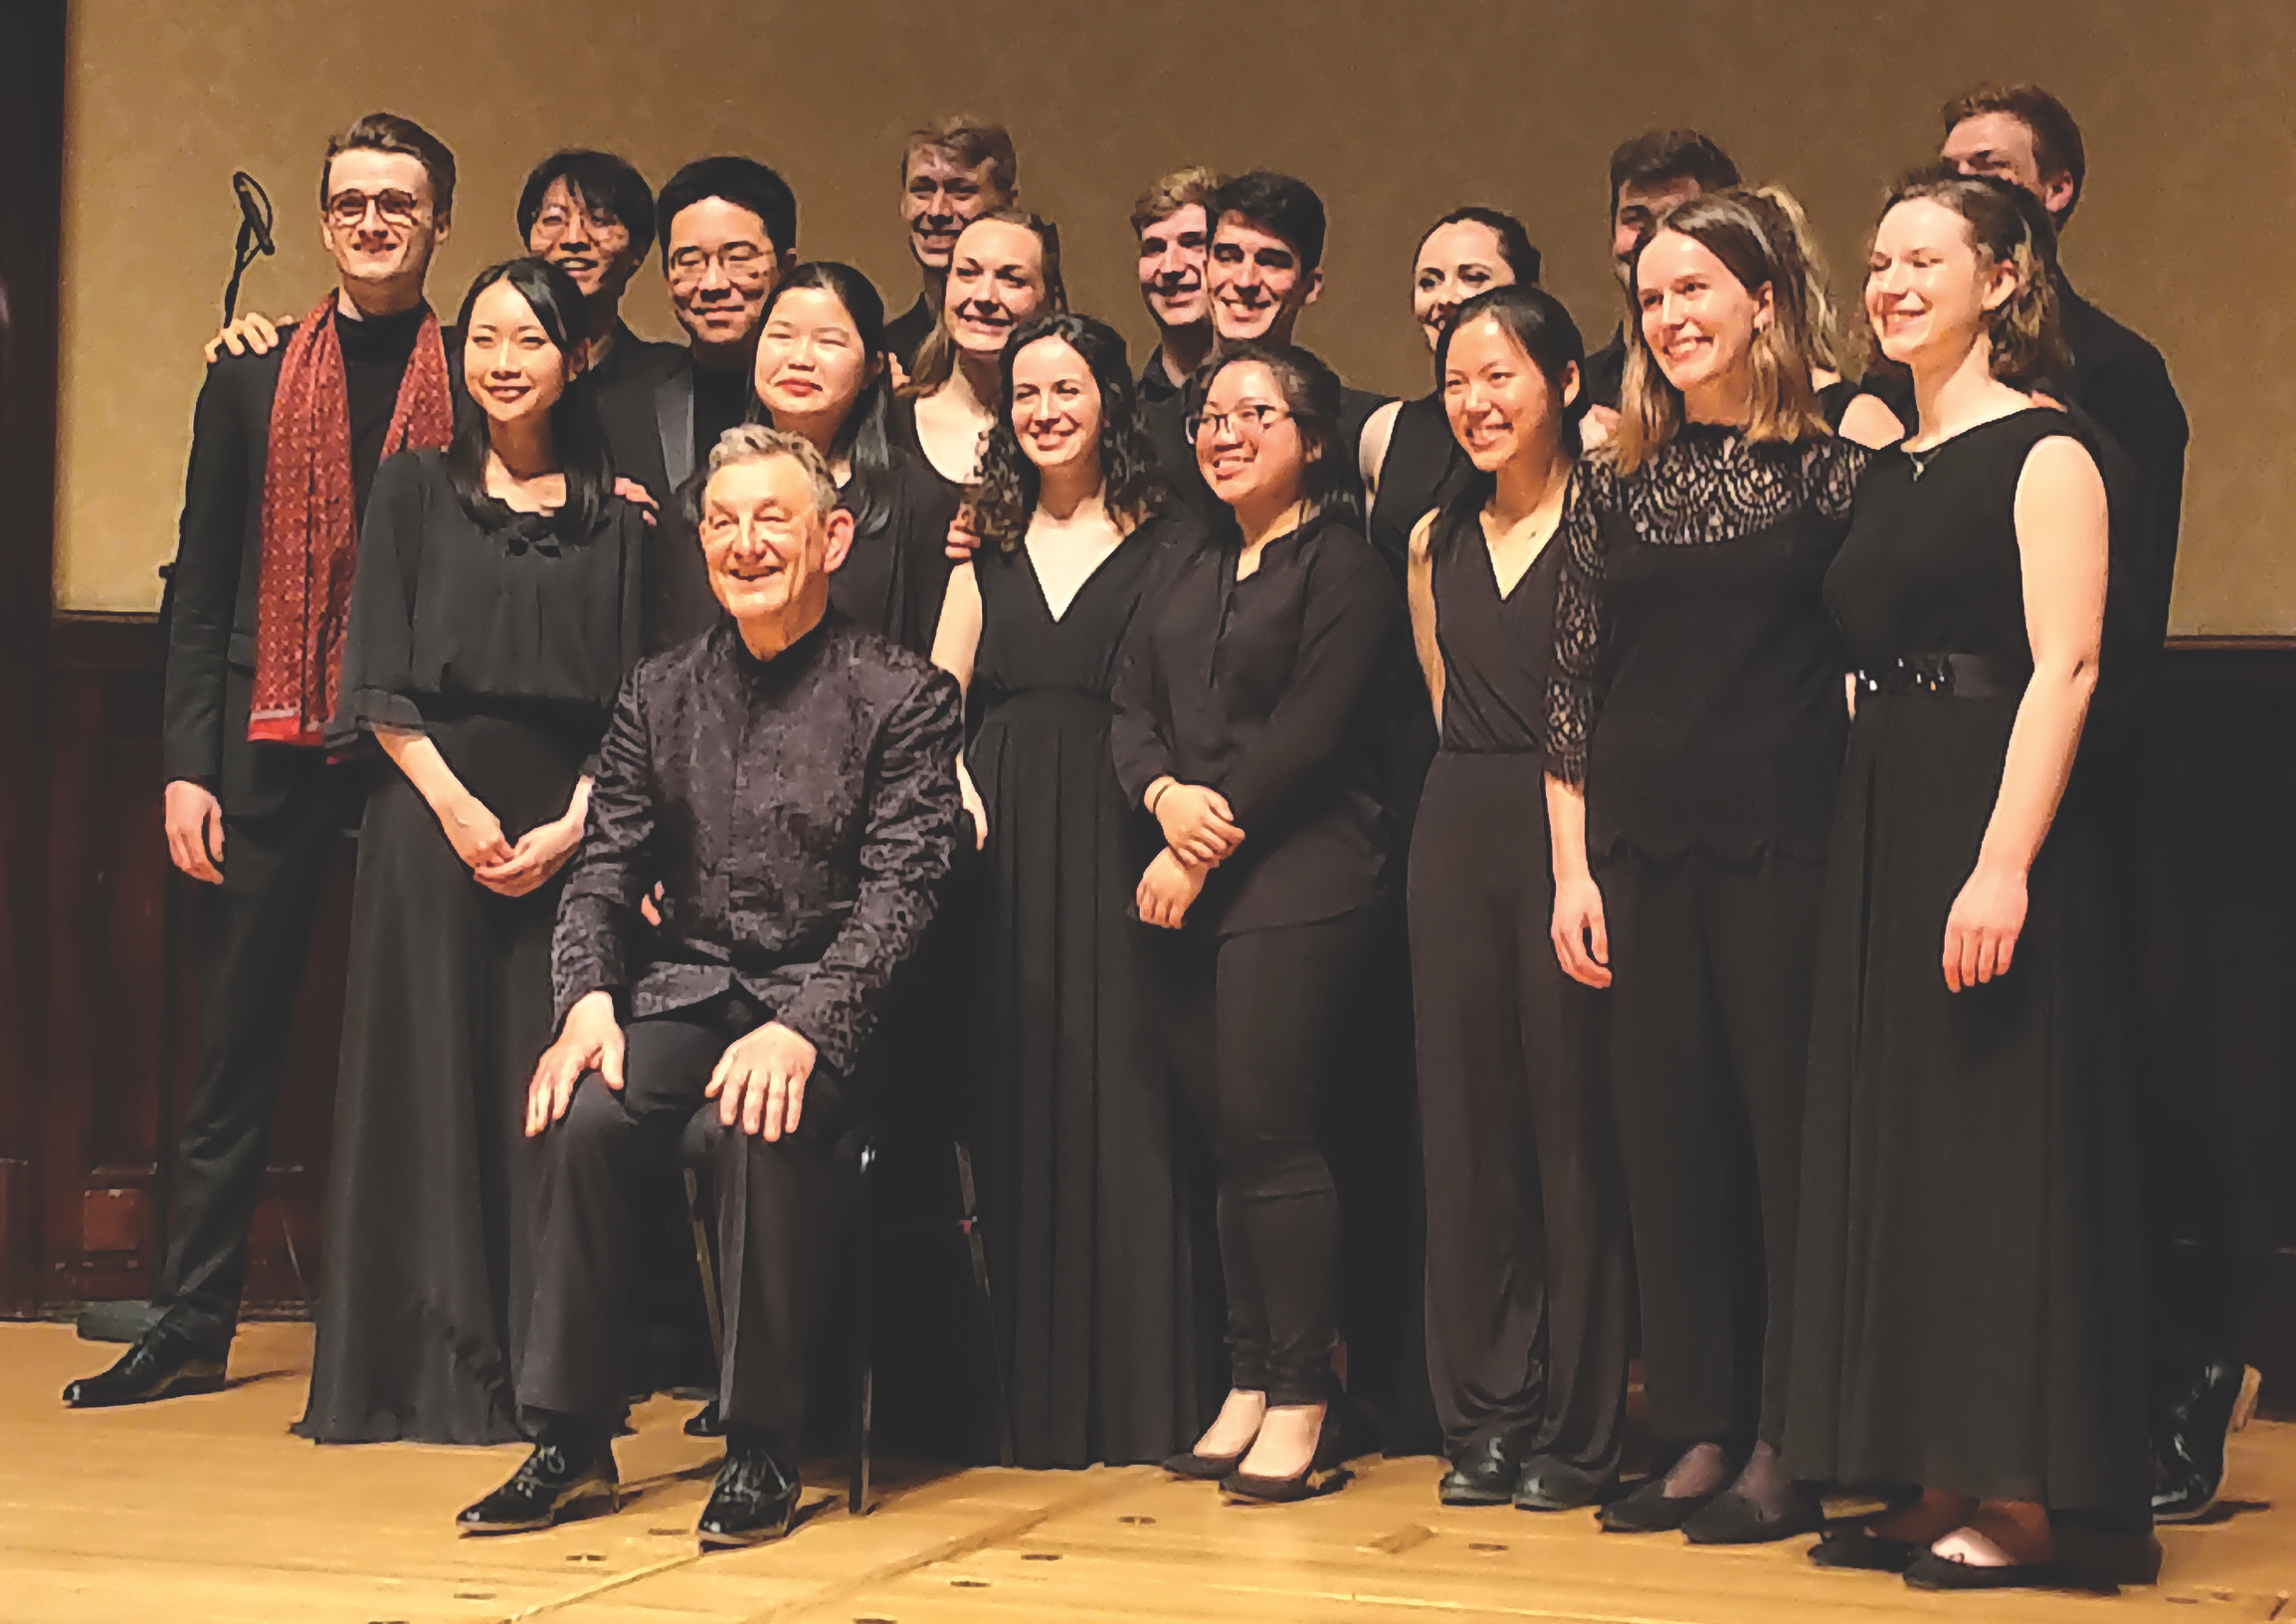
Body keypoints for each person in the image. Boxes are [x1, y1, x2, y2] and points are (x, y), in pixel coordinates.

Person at [460, 426, 964, 1544]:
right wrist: (587, 1002)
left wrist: (806, 1030)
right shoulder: (659, 690)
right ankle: (573, 1440)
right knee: (584, 1111)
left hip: (840, 1009)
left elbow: (904, 898)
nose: (744, 544)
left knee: (753, 1119)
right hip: (687, 990)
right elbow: (603, 868)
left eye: (771, 519)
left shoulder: (904, 695)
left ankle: (760, 1445)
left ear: (830, 537)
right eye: (723, 522)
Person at [1784, 170, 2147, 1591]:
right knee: (1914, 1157)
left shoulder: (2048, 451)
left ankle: (2021, 1499)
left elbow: (2067, 665)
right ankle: (1935, 1470)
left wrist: (2001, 864)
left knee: (1998, 1157)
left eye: (1922, 260)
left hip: (1994, 817)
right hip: (1889, 816)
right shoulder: (1891, 464)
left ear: (2005, 278)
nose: (1889, 285)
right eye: (1877, 264)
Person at [65, 112, 460, 1411]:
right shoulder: (248, 377)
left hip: (420, 745)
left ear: (439, 222)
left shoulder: (490, 369)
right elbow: (200, 584)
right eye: (350, 201)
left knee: (423, 1043)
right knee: (234, 1047)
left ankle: (434, 1326)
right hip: (267, 740)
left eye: (398, 202)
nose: (372, 222)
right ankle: (190, 1322)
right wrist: (186, 764)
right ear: (326, 215)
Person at [1544, 189, 1866, 1544]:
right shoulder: (1614, 482)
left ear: (1766, 305)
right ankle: (1702, 1422)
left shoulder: (1839, 470)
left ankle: (1794, 1436)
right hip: (1635, 855)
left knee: (1783, 1149)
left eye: (1698, 293)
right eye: (1654, 300)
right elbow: (1571, 689)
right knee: (1665, 1146)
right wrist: (1571, 871)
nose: (1671, 319)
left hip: (1786, 847)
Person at [1936, 82, 2226, 1523]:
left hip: (2084, 782)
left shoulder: (2116, 372)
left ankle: (2166, 1400)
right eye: (1949, 170)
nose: (1965, 185)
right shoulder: (1918, 381)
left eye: (1994, 169)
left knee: (2114, 1100)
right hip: (1946, 784)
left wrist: (2032, 826)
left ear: (2054, 201)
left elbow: (2114, 621)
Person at [296, 258, 646, 1444]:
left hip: (568, 827)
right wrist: (453, 808)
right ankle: (409, 1372)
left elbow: (640, 705)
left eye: (530, 339)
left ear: (574, 357)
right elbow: (376, 678)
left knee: (536, 1094)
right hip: (425, 815)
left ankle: (547, 1377)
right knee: (422, 1084)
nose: (503, 360)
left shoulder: (622, 518)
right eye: (485, 337)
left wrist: (577, 823)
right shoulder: (411, 487)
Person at [1113, 342, 1410, 1503]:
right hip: (1183, 863)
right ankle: (1245, 1378)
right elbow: (1128, 706)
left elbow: (1314, 731)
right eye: (1207, 415)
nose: (1223, 432)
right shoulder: (1184, 562)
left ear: (1315, 439)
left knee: (1275, 1134)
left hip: (1305, 868)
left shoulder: (1346, 566)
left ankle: (1303, 1393)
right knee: (1225, 1141)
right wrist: (1163, 800)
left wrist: (1205, 836)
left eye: (1253, 412)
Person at [929, 312, 1209, 1469]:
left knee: (1133, 1098)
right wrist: (954, 788)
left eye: (1069, 389)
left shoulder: (1172, 537)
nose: (1046, 409)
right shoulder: (980, 548)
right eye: (1027, 393)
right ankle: (1031, 1405)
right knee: (1020, 1092)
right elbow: (932, 700)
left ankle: (1148, 1401)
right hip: (1004, 835)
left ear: (1109, 400)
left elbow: (1195, 696)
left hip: (1122, 821)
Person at [1406, 287, 1631, 1513]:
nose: (1478, 401)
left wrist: (1582, 858)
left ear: (1563, 383)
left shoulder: (1614, 521)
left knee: (1572, 1130)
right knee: (1467, 1133)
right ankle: (1483, 1412)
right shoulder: (1430, 539)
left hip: (1579, 840)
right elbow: (1450, 698)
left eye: (1503, 376)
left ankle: (1582, 1425)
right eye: (1456, 381)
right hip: (1457, 830)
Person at [596, 155, 801, 652]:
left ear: (786, 267)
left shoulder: (824, 405)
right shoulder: (617, 405)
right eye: (689, 262)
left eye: (738, 258)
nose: (712, 283)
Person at [749, 261, 959, 654]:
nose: (800, 359)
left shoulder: (917, 499)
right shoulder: (709, 493)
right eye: (781, 336)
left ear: (872, 369)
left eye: (828, 342)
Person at [1361, 207, 1540, 579]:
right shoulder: (1384, 431)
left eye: (1473, 278)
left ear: (1526, 294)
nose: (1447, 297)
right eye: (1429, 282)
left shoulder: (1576, 428)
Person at [891, 210, 1065, 499]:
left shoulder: (1069, 433)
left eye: (1012, 279)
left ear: (1048, 299)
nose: (985, 297)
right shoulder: (885, 425)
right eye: (968, 273)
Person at [1580, 130, 1741, 427]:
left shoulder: (1800, 394)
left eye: (1675, 216)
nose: (1650, 239)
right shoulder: (1581, 395)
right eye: (1634, 218)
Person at [516, 149, 681, 394]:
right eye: (553, 220)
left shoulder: (672, 380)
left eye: (600, 219)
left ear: (639, 250)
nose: (573, 239)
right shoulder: (490, 372)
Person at [884, 117, 1020, 373]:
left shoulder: (1050, 355)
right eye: (922, 190)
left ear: (1008, 204)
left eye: (961, 191)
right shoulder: (884, 354)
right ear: (903, 203)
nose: (937, 211)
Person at [1131, 167, 1223, 493]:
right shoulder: (1119, 416)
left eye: (1193, 243)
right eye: (1154, 248)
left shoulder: (1287, 403)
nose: (1170, 268)